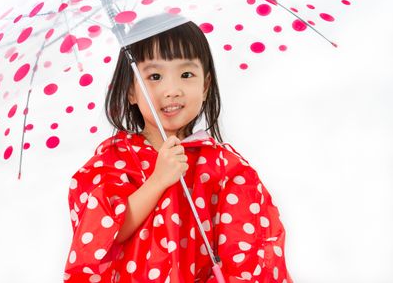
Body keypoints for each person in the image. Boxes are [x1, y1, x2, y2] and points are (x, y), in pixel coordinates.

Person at [63, 14, 292, 282]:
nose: (172, 90)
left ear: (205, 86)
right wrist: (158, 181)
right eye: (155, 76)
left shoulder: (223, 165)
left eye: (186, 74)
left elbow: (249, 246)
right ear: (131, 91)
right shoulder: (114, 160)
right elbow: (103, 232)